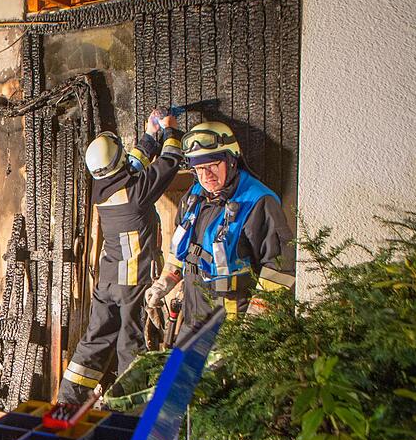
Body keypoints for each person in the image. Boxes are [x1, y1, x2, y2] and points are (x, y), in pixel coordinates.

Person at [57, 108, 183, 404]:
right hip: (131, 283)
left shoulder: (102, 186)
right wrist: (170, 130)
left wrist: (150, 135)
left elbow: (132, 164)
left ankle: (65, 403)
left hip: (107, 282)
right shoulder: (138, 193)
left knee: (94, 340)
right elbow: (170, 162)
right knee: (131, 345)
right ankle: (127, 412)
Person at [145, 120, 295, 333]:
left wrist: (257, 320)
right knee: (175, 367)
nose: (206, 176)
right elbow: (182, 250)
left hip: (231, 323)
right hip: (192, 315)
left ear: (231, 160)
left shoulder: (258, 202)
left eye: (213, 165)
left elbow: (279, 268)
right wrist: (164, 283)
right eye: (199, 168)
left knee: (211, 368)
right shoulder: (194, 197)